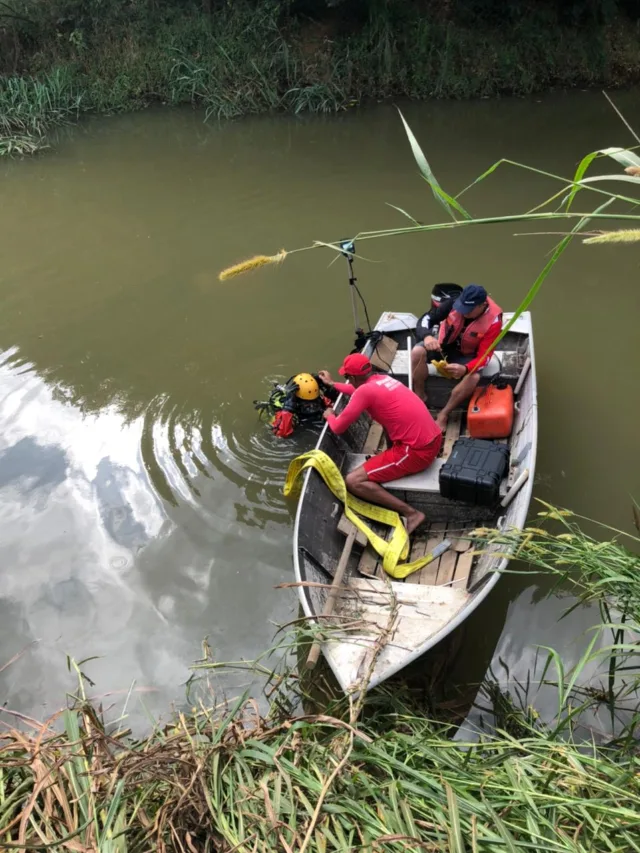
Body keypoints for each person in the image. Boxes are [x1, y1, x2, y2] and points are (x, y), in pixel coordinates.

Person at [318, 353, 442, 535]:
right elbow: (357, 392)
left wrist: (330, 415)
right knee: (387, 424)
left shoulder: (365, 391)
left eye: (348, 377)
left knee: (353, 481)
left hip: (416, 452)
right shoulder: (383, 379)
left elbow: (337, 427)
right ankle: (391, 457)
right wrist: (332, 384)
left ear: (352, 377)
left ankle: (412, 513)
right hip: (433, 438)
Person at [411, 284, 503, 431]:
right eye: (461, 307)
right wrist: (427, 336)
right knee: (416, 352)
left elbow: (485, 357)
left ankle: (444, 414)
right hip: (443, 346)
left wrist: (466, 368)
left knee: (473, 378)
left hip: (467, 355)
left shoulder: (494, 322)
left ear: (481, 305)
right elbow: (426, 318)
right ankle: (420, 397)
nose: (462, 312)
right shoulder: (455, 301)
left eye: (468, 310)